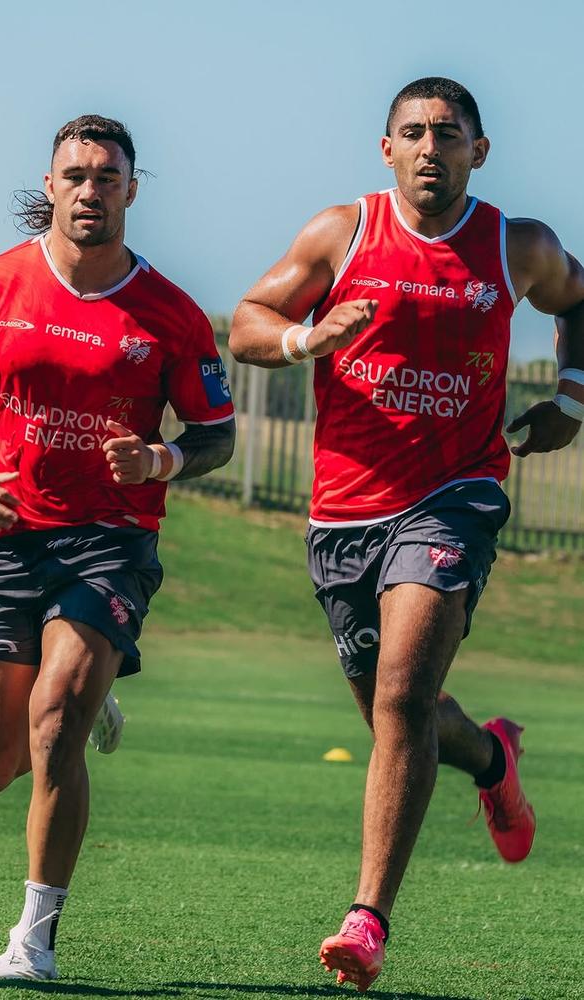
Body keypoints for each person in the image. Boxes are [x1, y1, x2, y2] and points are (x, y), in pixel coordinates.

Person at [229, 77, 584, 992]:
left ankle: (368, 920)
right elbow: (247, 324)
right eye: (414, 132)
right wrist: (311, 341)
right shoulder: (341, 233)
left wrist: (575, 402)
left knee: (400, 697)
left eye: (450, 133)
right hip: (344, 513)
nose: (432, 146)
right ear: (385, 149)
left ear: (480, 150)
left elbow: (580, 302)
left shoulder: (519, 246)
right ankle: (492, 756)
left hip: (456, 497)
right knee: (405, 718)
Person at [0, 114, 235, 981]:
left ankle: (34, 942)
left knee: (55, 723)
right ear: (52, 184)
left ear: (131, 191)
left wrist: (163, 458)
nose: (91, 190)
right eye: (77, 176)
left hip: (110, 542)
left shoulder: (172, 315)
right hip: (5, 540)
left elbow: (216, 435)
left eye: (108, 177)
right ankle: (84, 690)